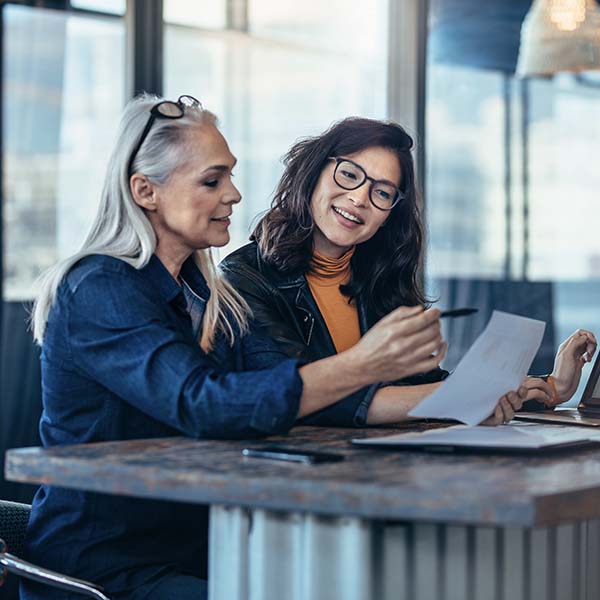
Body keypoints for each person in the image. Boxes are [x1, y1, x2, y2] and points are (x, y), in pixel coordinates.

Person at [23, 95, 460, 600]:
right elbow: (204, 403)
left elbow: (289, 387)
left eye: (229, 175)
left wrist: (468, 400)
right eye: (212, 180)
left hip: (199, 549)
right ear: (146, 191)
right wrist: (364, 363)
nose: (233, 194)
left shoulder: (209, 295)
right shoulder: (100, 287)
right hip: (110, 568)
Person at [221, 117, 596, 426]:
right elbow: (304, 397)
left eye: (382, 192)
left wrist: (551, 387)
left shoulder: (378, 280)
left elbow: (424, 387)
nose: (359, 199)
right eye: (349, 175)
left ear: (389, 215)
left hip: (381, 472)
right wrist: (469, 397)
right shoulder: (244, 279)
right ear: (314, 172)